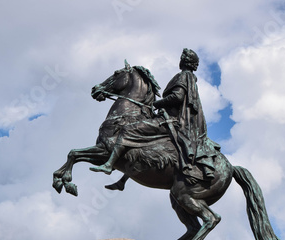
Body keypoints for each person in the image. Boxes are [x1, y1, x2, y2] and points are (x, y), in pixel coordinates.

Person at [91, 48, 220, 184]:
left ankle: (109, 164)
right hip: (175, 121)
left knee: (128, 130)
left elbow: (178, 96)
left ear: (184, 61)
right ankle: (122, 181)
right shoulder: (190, 79)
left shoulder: (183, 76)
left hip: (173, 121)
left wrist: (158, 104)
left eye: (182, 58)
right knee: (142, 144)